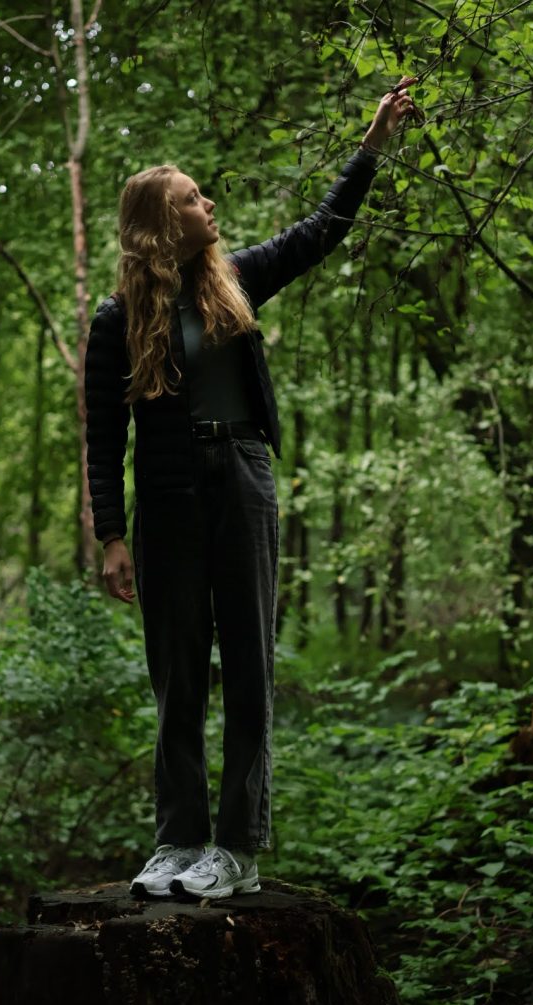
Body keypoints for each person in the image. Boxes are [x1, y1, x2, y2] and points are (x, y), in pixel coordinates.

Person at [85, 77, 417, 901]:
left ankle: (236, 846)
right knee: (176, 673)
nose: (208, 205)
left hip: (242, 481)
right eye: (194, 198)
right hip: (164, 500)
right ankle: (177, 839)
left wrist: (369, 146)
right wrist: (111, 536)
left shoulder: (232, 279)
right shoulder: (113, 320)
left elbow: (319, 233)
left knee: (247, 663)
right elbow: (103, 435)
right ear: (163, 220)